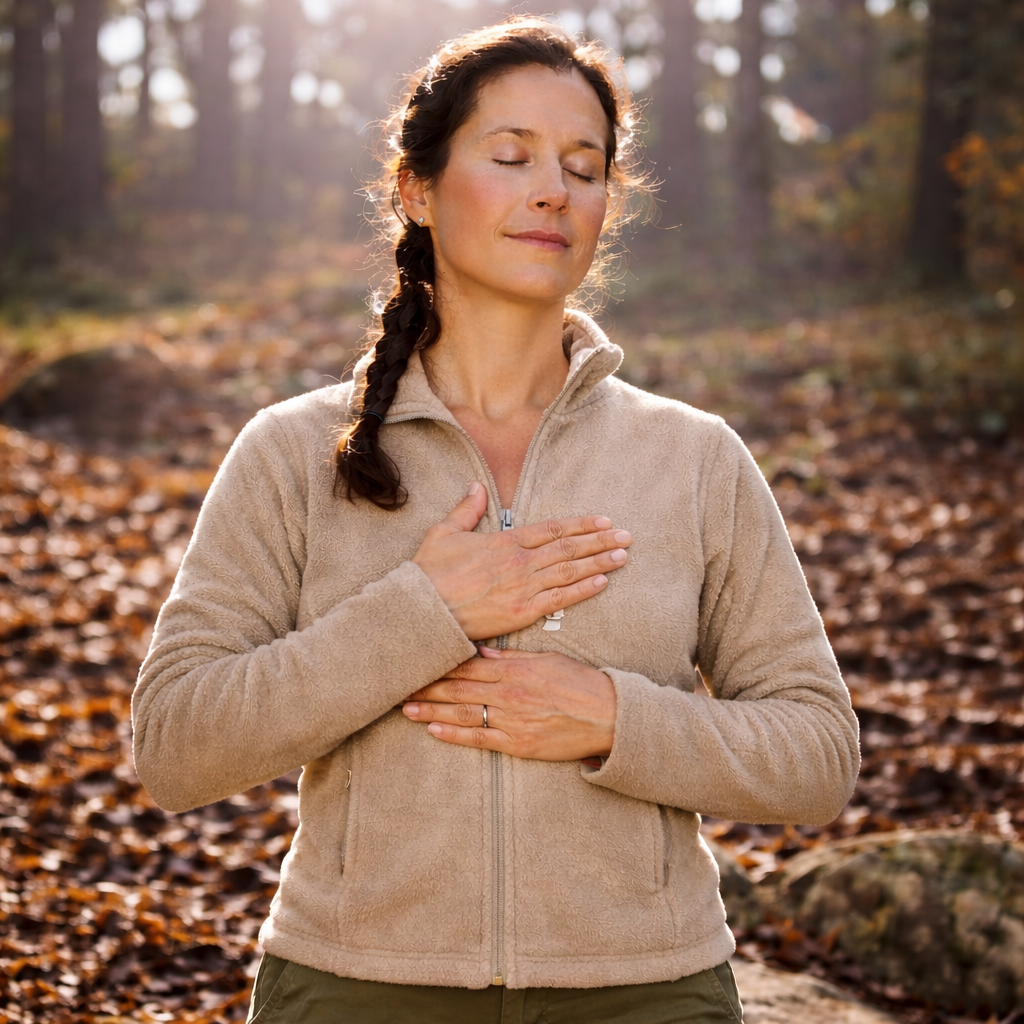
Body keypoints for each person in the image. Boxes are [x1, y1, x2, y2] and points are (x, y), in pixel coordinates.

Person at [132, 18, 860, 1024]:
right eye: (510, 156)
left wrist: (613, 716)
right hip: (358, 984)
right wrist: (424, 610)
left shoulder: (691, 458)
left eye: (584, 166)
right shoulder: (295, 452)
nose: (553, 189)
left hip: (644, 989)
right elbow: (175, 744)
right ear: (417, 191)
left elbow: (816, 753)